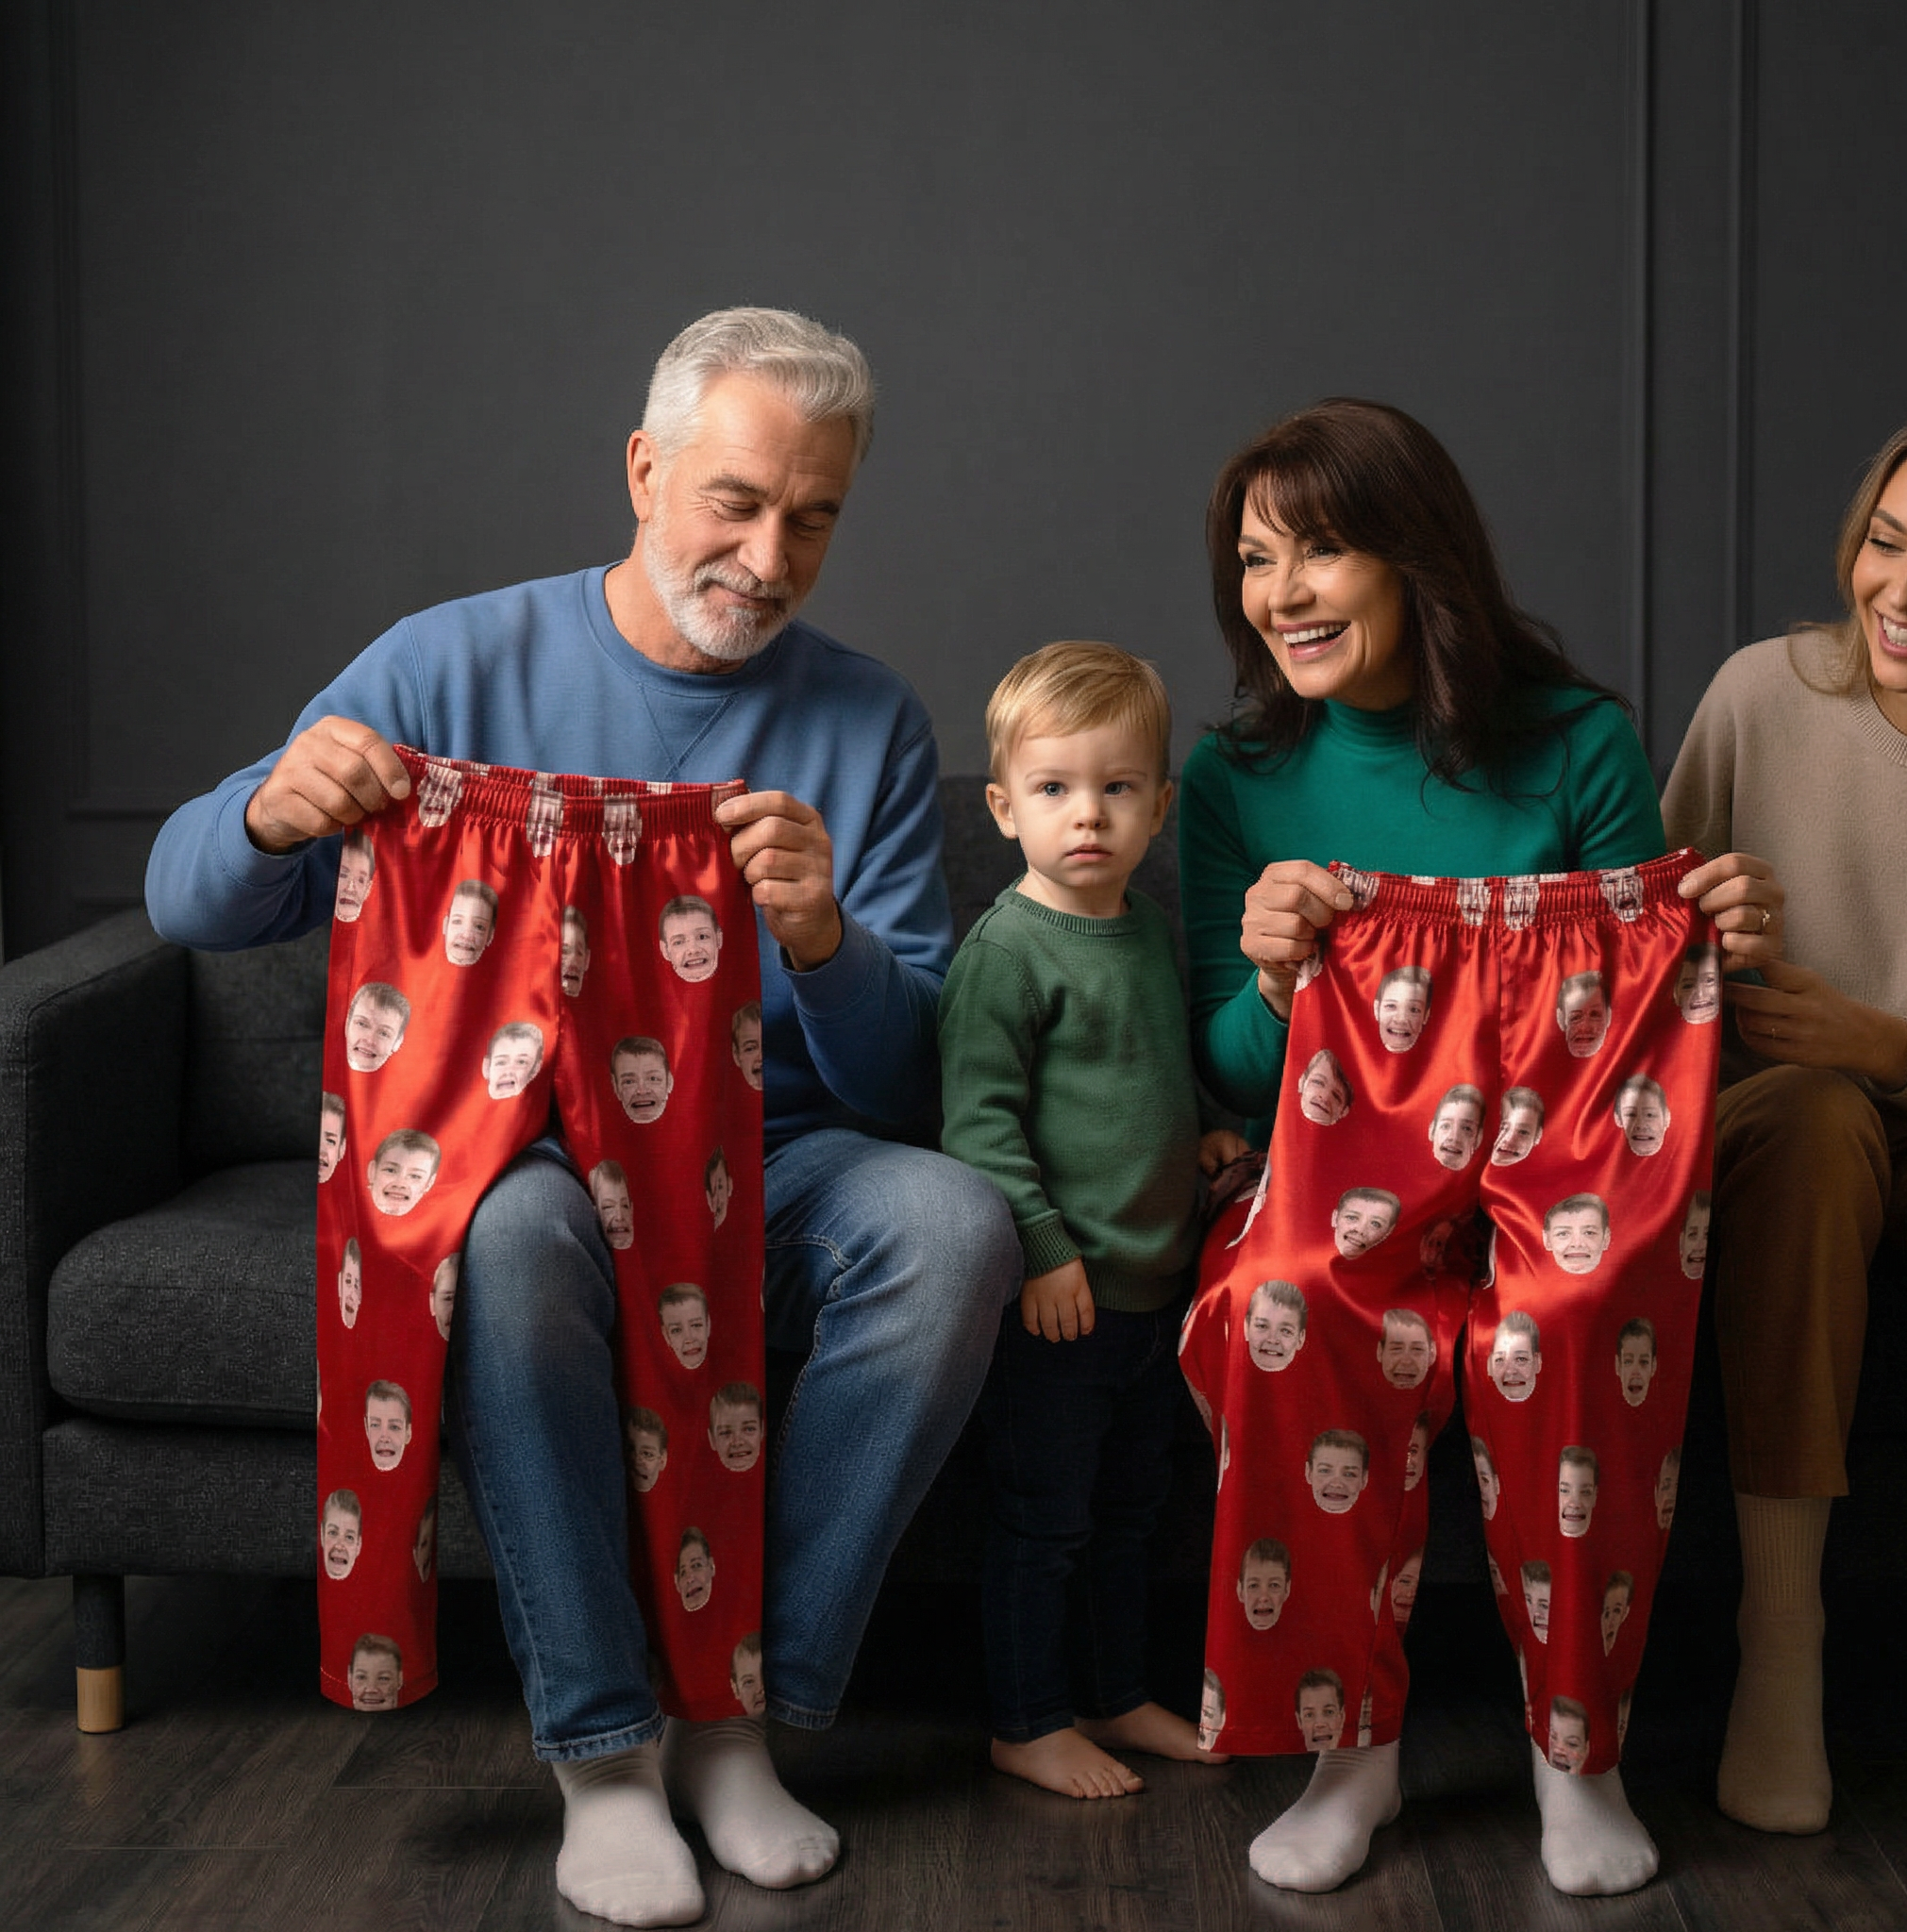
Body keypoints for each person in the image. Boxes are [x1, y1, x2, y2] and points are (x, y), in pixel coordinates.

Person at [143, 307, 1020, 1925]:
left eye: (812, 517)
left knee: (956, 1227)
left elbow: (914, 1088)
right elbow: (184, 897)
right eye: (736, 501)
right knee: (520, 1226)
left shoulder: (869, 719)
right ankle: (603, 1757)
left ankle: (733, 1717)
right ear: (643, 468)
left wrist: (821, 935)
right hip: (523, 1150)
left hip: (775, 1156)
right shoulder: (444, 666)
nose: (767, 553)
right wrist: (276, 806)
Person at [1177, 398, 1778, 1897]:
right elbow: (1229, 1074)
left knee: (1568, 1321)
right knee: (1286, 1306)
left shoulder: (1576, 742)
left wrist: (1727, 946)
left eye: (1321, 552)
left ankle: (1581, 1754)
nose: (1284, 594)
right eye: (1257, 563)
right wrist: (1268, 978)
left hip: (1568, 1149)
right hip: (1326, 1158)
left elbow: (1649, 1021)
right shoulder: (1229, 783)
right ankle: (1346, 1752)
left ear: (1417, 559)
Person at [1662, 408, 1907, 1837]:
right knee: (1825, 1119)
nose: (1906, 593)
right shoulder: (1761, 694)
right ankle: (1785, 1645)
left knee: (1854, 1089)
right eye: (1887, 544)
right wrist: (1711, 944)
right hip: (1780, 1119)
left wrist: (1889, 1040)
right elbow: (1646, 975)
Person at [939, 641, 1232, 1800]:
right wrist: (1042, 1249)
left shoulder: (1149, 931)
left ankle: (1116, 1692)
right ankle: (1027, 1717)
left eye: (1116, 789)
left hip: (1154, 1288)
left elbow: (1156, 1068)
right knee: (1044, 1523)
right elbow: (978, 1126)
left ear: (1159, 806)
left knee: (1131, 1515)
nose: (1087, 816)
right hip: (1061, 1297)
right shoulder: (1006, 954)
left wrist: (1206, 1123)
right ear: (1003, 806)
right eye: (1054, 789)